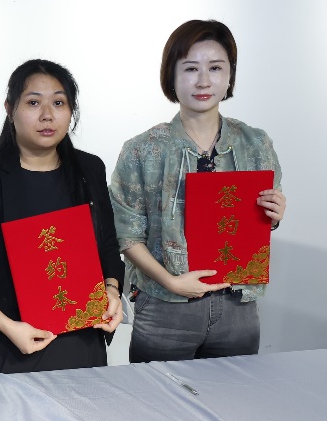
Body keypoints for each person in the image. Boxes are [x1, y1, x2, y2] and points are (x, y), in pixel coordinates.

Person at [109, 19, 285, 362]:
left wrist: (274, 213)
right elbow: (126, 234)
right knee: (159, 394)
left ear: (230, 75)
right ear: (171, 76)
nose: (204, 80)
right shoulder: (143, 149)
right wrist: (171, 282)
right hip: (165, 306)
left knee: (234, 392)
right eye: (191, 68)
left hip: (237, 303)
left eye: (215, 68)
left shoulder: (255, 143)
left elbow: (262, 216)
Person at [0, 59, 123, 376]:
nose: (47, 115)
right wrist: (8, 326)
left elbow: (106, 245)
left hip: (76, 336)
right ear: (10, 109)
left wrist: (112, 290)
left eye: (59, 103)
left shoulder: (89, 170)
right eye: (33, 102)